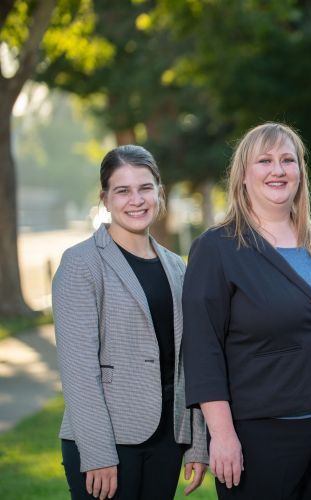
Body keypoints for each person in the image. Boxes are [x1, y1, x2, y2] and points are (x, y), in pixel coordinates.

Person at [182, 122, 311, 499]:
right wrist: (222, 435)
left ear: (301, 171)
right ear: (243, 176)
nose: (278, 170)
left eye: (288, 160)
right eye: (264, 161)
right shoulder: (217, 248)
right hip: (258, 434)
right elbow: (203, 350)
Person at [52, 145, 208, 500]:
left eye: (145, 188)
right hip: (107, 441)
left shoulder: (177, 266)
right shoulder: (81, 264)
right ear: (105, 199)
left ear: (159, 192)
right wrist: (97, 453)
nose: (135, 200)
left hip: (168, 438)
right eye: (122, 190)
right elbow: (78, 371)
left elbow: (189, 363)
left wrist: (198, 444)